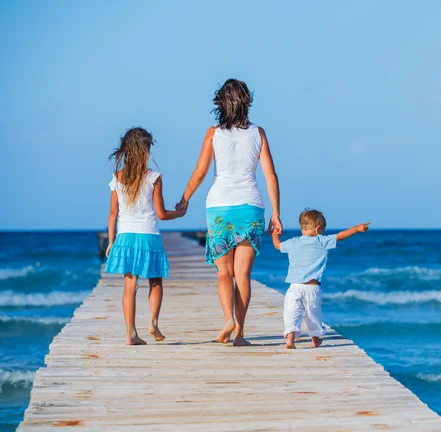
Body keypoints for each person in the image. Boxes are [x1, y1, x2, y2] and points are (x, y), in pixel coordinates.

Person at [176, 79, 282, 346]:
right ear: (246, 102)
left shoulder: (214, 134)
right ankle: (240, 335)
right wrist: (276, 213)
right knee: (242, 275)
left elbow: (200, 172)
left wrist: (184, 199)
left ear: (222, 102)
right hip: (251, 207)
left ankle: (228, 319)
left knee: (224, 273)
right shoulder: (259, 134)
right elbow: (270, 176)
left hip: (220, 206)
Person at [105, 127, 185, 345]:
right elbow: (161, 214)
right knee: (156, 281)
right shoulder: (153, 177)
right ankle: (153, 322)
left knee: (129, 286)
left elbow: (113, 214)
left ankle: (131, 333)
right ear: (145, 150)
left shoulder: (117, 177)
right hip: (148, 235)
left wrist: (111, 241)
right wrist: (179, 213)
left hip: (125, 237)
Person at [270, 209, 370, 349]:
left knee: (292, 312)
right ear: (317, 229)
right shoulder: (321, 241)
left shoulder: (292, 243)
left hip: (295, 288)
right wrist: (357, 228)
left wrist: (274, 235)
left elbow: (278, 246)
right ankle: (315, 339)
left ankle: (290, 339)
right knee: (313, 315)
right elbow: (340, 236)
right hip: (313, 288)